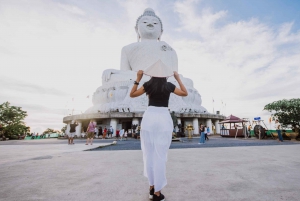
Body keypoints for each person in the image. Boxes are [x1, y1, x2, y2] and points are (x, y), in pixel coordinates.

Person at [130, 69, 188, 201]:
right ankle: (157, 192)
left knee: (148, 154)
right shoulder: (168, 86)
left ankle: (152, 187)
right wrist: (177, 78)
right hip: (163, 118)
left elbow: (132, 94)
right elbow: (185, 93)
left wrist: (138, 78)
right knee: (160, 155)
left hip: (149, 118)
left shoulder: (148, 85)